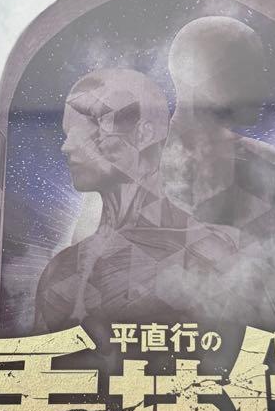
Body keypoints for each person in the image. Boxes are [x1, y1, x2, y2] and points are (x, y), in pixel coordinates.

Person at [34, 68, 251, 372]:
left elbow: (237, 374)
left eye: (93, 125)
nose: (68, 145)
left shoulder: (209, 256)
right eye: (68, 132)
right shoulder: (60, 271)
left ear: (144, 134)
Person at [160, 16, 275, 329]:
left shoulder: (268, 167)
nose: (262, 87)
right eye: (246, 72)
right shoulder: (132, 166)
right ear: (201, 75)